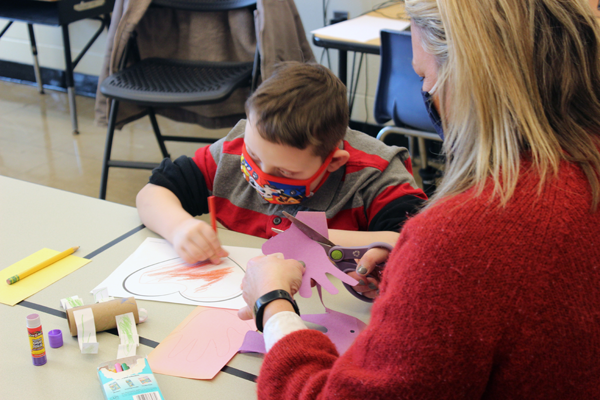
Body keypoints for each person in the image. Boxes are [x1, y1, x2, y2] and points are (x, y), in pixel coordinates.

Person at [237, 0, 600, 398]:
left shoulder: (466, 233)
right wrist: (416, 277)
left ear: (470, 80)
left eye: (424, 75)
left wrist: (272, 305)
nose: (425, 91)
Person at [136, 62, 426, 272]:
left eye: (284, 173)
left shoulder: (375, 174)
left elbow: (417, 243)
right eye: (254, 156)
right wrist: (178, 227)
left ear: (334, 161)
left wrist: (378, 250)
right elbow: (152, 194)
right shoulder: (233, 149)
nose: (261, 175)